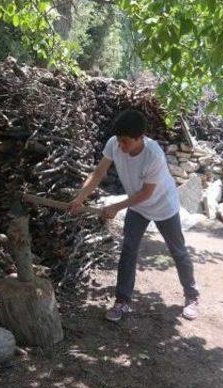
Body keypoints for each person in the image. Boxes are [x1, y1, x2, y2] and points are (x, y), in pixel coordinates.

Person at [69, 109, 199, 322]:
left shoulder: (153, 154)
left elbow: (146, 193)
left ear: (141, 138)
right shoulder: (114, 143)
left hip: (163, 206)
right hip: (138, 208)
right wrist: (80, 198)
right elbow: (99, 173)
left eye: (126, 142)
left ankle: (192, 296)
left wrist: (116, 207)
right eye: (119, 140)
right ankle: (122, 301)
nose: (121, 146)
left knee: (178, 251)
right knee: (128, 250)